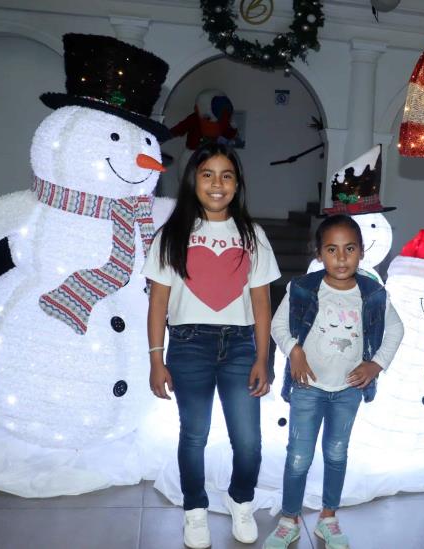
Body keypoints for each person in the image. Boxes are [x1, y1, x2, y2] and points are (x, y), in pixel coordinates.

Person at [143, 143, 280, 549]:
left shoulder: (253, 235)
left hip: (240, 345)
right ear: (193, 181)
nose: (217, 184)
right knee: (194, 434)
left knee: (248, 439)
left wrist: (262, 357)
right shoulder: (173, 235)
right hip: (188, 345)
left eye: (226, 175)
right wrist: (156, 358)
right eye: (207, 174)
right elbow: (158, 303)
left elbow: (261, 302)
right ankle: (195, 510)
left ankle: (242, 500)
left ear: (237, 185)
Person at [265, 214, 404, 549]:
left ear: (361, 253)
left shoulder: (372, 294)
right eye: (332, 249)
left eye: (349, 249)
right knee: (298, 455)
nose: (341, 258)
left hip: (347, 391)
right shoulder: (302, 289)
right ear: (319, 254)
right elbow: (278, 326)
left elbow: (396, 330)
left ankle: (328, 517)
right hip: (307, 387)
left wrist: (375, 365)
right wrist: (294, 352)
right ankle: (289, 520)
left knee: (336, 453)